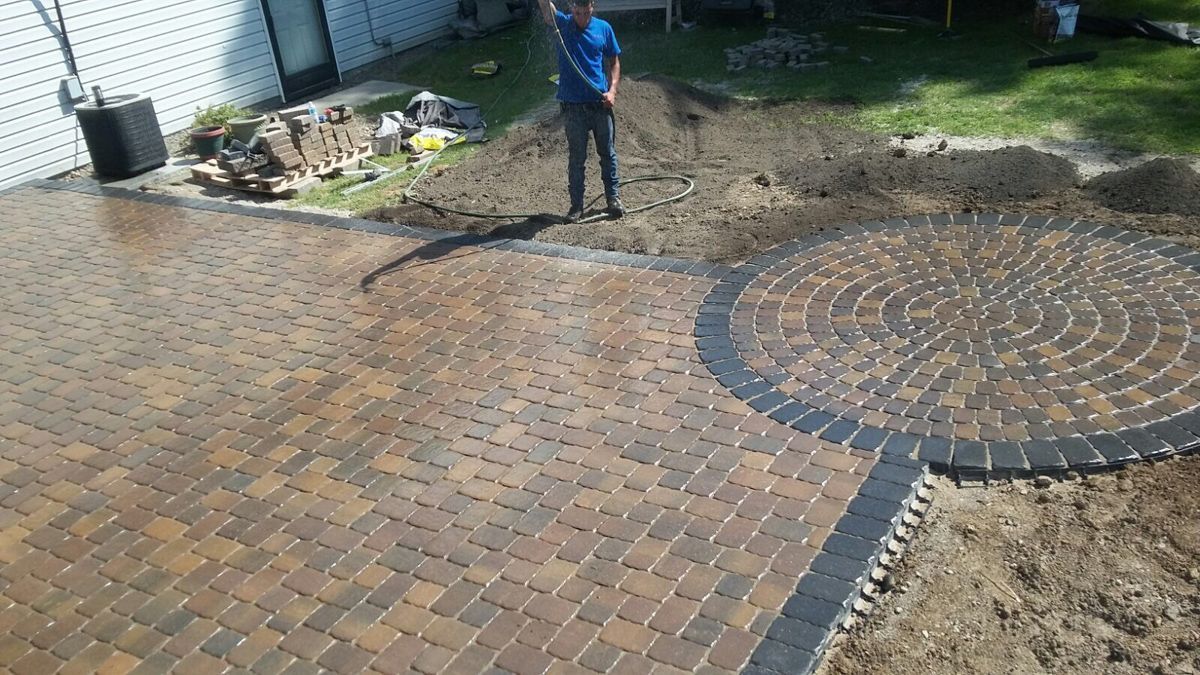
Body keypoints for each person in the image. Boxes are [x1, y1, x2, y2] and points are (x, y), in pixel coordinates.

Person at [537, 0, 624, 222]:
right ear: (571, 9)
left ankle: (613, 199)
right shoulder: (563, 26)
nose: (582, 18)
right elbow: (548, 12)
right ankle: (576, 207)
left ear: (592, 6)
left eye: (586, 13)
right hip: (573, 108)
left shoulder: (603, 28)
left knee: (608, 153)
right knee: (577, 159)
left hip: (599, 105)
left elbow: (614, 61)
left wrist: (612, 91)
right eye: (577, 13)